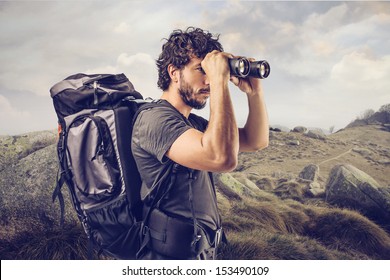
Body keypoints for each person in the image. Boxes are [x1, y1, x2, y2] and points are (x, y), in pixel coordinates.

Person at [131, 27, 269, 260]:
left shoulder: (190, 122)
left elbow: (255, 141)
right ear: (174, 73)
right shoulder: (155, 119)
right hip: (170, 257)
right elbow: (221, 158)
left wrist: (254, 93)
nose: (208, 80)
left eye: (211, 72)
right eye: (201, 70)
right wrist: (219, 82)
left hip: (199, 251)